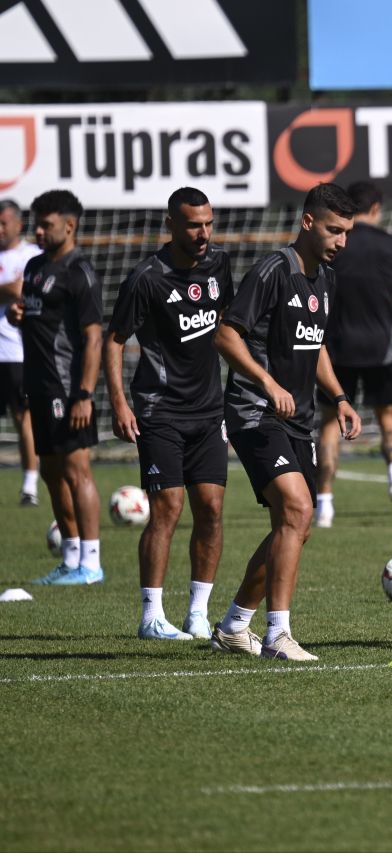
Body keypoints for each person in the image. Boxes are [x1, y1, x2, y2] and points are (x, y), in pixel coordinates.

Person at [211, 183, 362, 661]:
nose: (342, 241)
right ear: (308, 222)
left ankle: (235, 625)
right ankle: (278, 635)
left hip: (299, 418)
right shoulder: (274, 270)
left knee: (295, 524)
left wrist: (339, 397)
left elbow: (313, 343)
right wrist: (266, 382)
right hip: (255, 411)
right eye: (335, 230)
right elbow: (226, 335)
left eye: (347, 233)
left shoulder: (327, 279)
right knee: (296, 509)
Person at [104, 187, 234, 640]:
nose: (203, 234)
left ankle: (197, 613)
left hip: (209, 411)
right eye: (194, 225)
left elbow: (226, 329)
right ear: (172, 225)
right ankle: (151, 616)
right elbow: (115, 340)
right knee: (168, 508)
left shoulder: (219, 264)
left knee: (212, 509)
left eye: (209, 223)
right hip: (159, 410)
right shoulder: (147, 278)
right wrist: (119, 402)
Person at [8, 190, 105, 585]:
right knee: (51, 472)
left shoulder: (79, 271)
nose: (39, 231)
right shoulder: (33, 267)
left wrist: (83, 393)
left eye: (46, 224)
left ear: (70, 225)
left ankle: (92, 562)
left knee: (77, 470)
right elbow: (35, 316)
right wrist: (19, 315)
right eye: (37, 223)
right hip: (39, 384)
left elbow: (94, 338)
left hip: (68, 389)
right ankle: (70, 557)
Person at [315, 180, 392, 528]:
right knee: (391, 422)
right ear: (376, 208)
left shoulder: (336, 244)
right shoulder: (390, 244)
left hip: (337, 348)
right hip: (380, 347)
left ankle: (324, 503)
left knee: (329, 424)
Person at [0, 200, 42, 506]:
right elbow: (12, 288)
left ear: (18, 224)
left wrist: (14, 288)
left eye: (4, 223)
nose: (0, 229)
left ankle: (30, 485)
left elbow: (22, 289)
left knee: (22, 417)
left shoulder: (32, 255)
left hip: (17, 351)